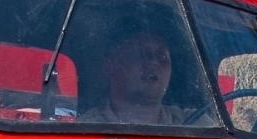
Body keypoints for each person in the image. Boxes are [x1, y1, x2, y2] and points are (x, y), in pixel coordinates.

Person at [84, 24, 212, 126]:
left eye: (162, 56)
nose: (153, 62)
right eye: (141, 54)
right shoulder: (85, 128)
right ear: (110, 66)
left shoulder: (197, 124)